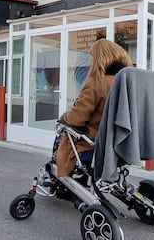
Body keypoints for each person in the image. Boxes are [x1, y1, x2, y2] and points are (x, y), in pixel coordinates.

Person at [54, 39, 133, 178]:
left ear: (100, 58)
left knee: (63, 132)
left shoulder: (96, 83)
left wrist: (64, 117)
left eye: (92, 57)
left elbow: (76, 119)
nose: (91, 62)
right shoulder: (128, 82)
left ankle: (58, 176)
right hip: (122, 143)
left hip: (94, 144)